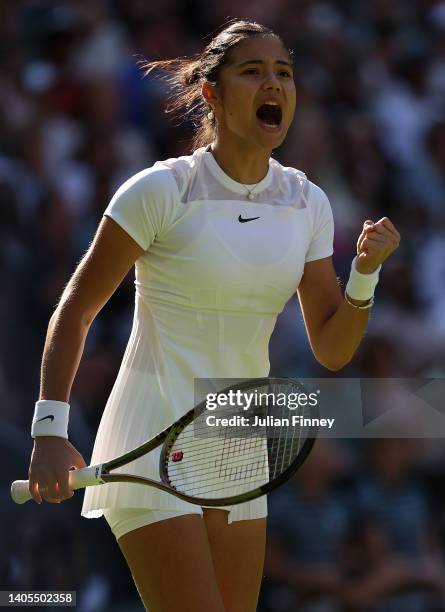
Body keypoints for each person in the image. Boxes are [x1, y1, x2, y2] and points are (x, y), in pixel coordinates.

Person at [27, 19, 400, 612]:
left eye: (284, 72)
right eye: (253, 71)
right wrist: (50, 429)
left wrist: (363, 274)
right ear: (212, 95)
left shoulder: (308, 202)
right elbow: (76, 308)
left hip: (235, 444)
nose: (273, 84)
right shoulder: (159, 190)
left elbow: (332, 348)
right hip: (150, 437)